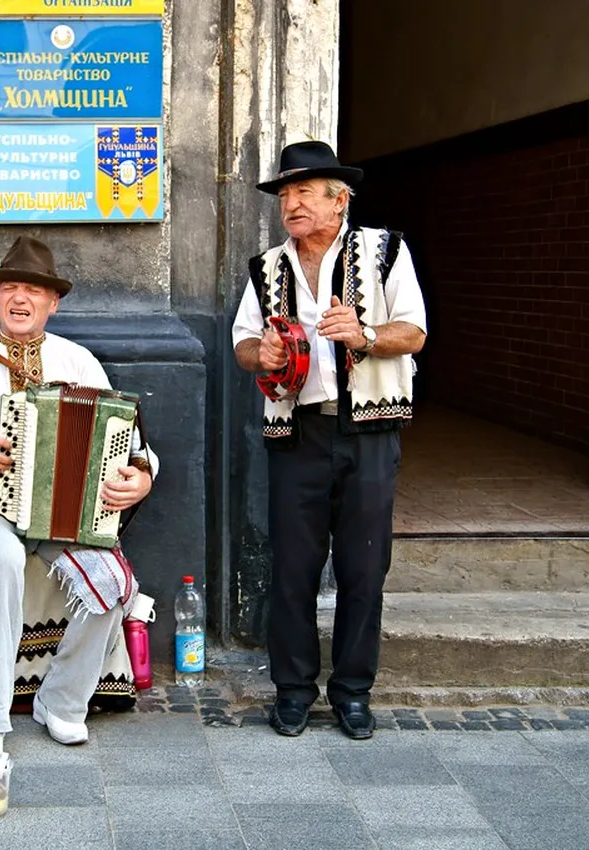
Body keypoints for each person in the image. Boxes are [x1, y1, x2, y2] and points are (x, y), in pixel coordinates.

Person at [0, 235, 157, 753]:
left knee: (112, 581)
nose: (20, 299)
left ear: (52, 303)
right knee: (2, 562)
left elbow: (131, 443)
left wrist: (142, 477)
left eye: (33, 291)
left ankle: (60, 702)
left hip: (66, 511)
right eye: (9, 288)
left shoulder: (79, 360)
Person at [231, 141, 427, 740]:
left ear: (339, 199)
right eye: (285, 194)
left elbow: (414, 332)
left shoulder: (385, 250)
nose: (290, 204)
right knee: (292, 565)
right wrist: (257, 353)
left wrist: (365, 334)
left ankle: (352, 692)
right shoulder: (267, 267)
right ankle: (293, 691)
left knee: (364, 566)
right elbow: (243, 344)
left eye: (303, 192)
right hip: (298, 431)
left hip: (369, 427)